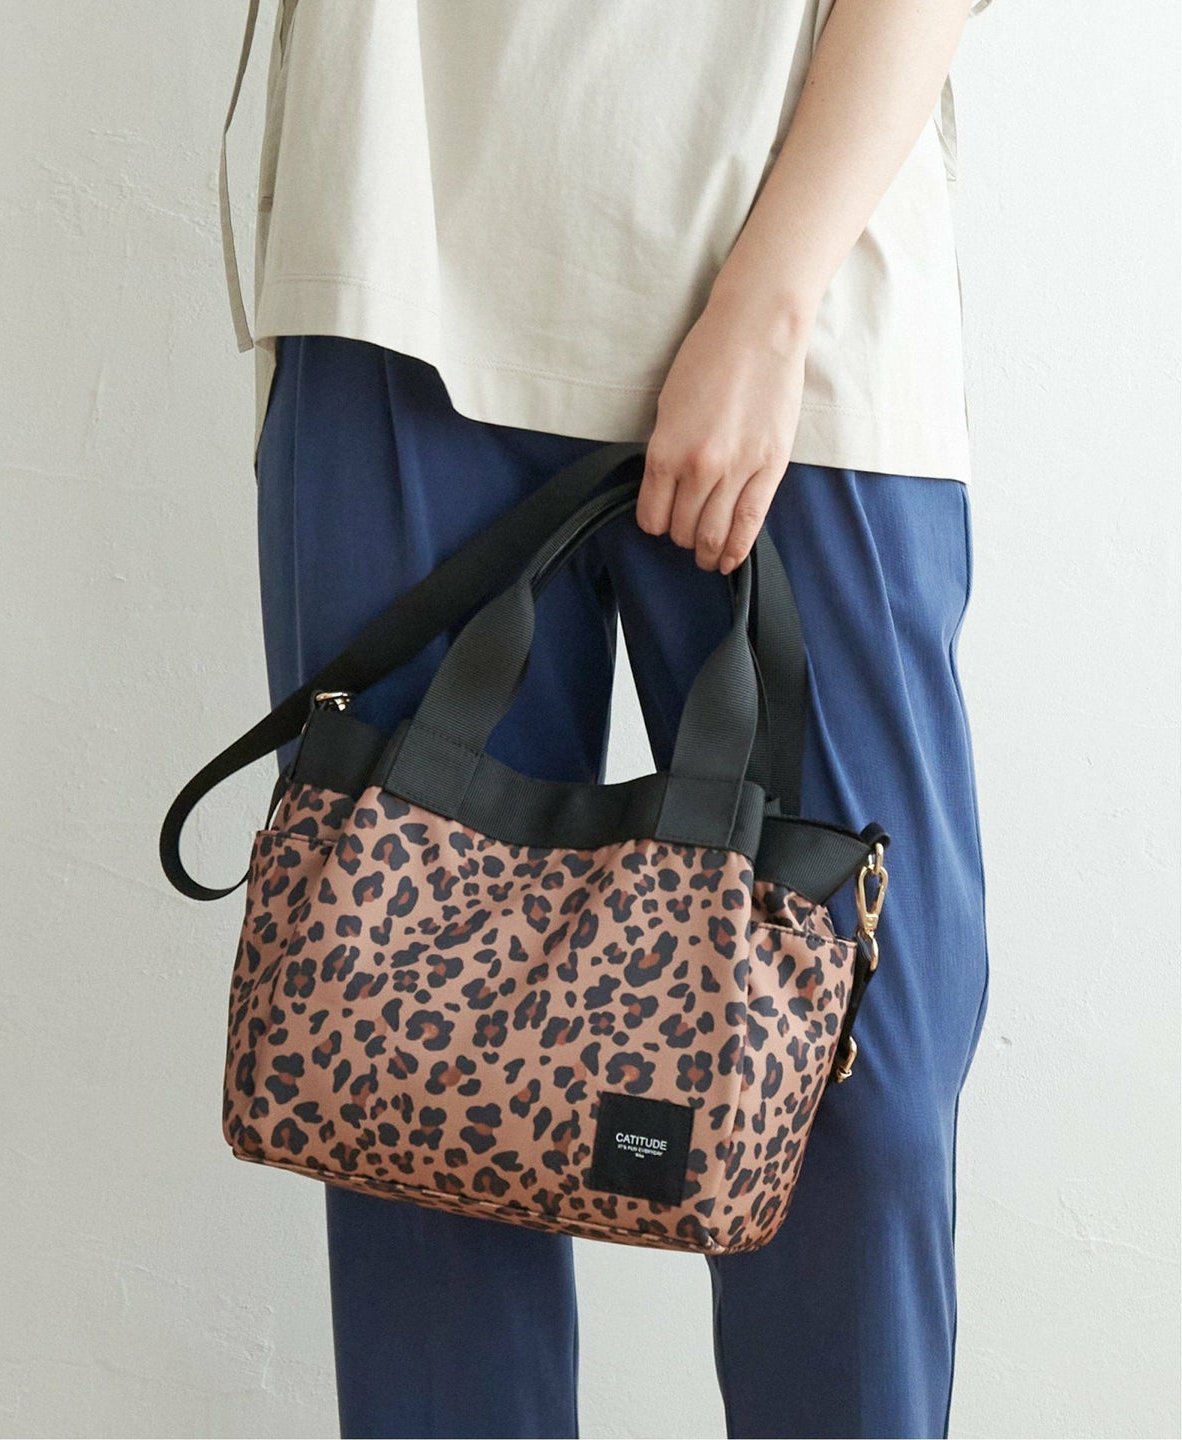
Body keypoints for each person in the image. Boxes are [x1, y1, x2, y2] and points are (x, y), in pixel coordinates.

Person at [220, 1, 993, 1435]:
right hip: (400, 236)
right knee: (406, 1084)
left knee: (859, 1101)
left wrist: (772, 298)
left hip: (799, 276)